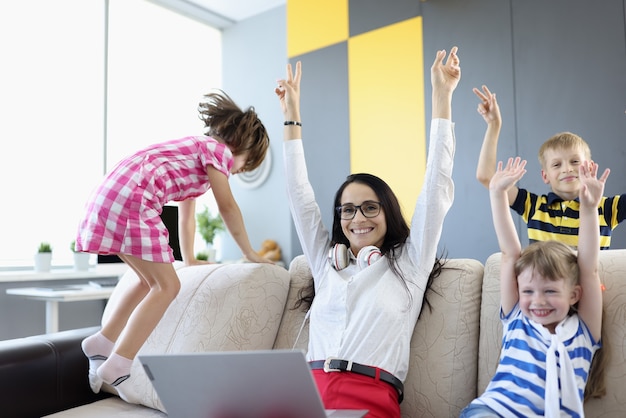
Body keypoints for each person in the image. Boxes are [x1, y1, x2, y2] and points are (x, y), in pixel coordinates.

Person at [274, 46, 460, 417]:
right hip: (307, 396)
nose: (358, 218)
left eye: (370, 207)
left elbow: (436, 188)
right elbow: (299, 196)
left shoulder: (409, 264)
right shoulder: (326, 265)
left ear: (387, 212)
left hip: (370, 398)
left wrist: (442, 98)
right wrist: (291, 117)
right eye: (347, 209)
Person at [77, 90, 273, 398]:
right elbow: (228, 207)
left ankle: (102, 342)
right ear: (240, 147)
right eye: (243, 166)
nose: (236, 172)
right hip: (133, 198)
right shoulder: (217, 151)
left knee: (147, 281)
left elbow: (187, 217)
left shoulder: (192, 156)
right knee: (168, 286)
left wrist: (190, 259)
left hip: (112, 196)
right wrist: (250, 253)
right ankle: (119, 362)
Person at [460, 157, 607, 417]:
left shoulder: (584, 332)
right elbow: (509, 253)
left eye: (550, 291)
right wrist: (497, 194)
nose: (537, 301)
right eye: (528, 291)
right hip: (495, 411)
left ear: (574, 294)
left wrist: (589, 206)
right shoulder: (517, 317)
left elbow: (589, 267)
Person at [474, 85, 626, 249]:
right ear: (545, 175)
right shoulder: (534, 206)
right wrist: (494, 125)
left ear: (589, 167)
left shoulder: (607, 209)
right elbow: (488, 178)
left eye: (575, 161)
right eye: (556, 164)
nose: (567, 169)